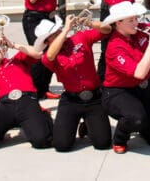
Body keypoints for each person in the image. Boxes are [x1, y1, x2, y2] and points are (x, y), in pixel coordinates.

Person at [101, 1, 150, 153]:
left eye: (136, 18)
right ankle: (120, 138)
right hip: (117, 91)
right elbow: (139, 73)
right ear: (118, 23)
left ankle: (141, 124)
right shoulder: (114, 47)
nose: (136, 23)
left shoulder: (139, 29)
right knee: (136, 119)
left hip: (141, 89)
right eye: (131, 20)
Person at [41, 13, 114, 152]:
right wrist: (66, 29)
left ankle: (87, 125)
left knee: (102, 144)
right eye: (53, 34)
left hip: (94, 98)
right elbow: (50, 56)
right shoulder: (48, 56)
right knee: (61, 145)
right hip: (71, 100)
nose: (58, 34)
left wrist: (90, 23)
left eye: (58, 31)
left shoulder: (80, 37)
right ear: (47, 42)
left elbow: (107, 30)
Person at [0, 29, 53, 150]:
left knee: (41, 141)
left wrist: (12, 45)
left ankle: (43, 116)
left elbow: (37, 52)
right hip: (5, 105)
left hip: (27, 100)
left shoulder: (17, 60)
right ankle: (2, 130)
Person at [17, 0, 62, 99]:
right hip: (34, 17)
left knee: (53, 52)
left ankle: (43, 88)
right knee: (38, 54)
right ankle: (32, 90)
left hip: (49, 16)